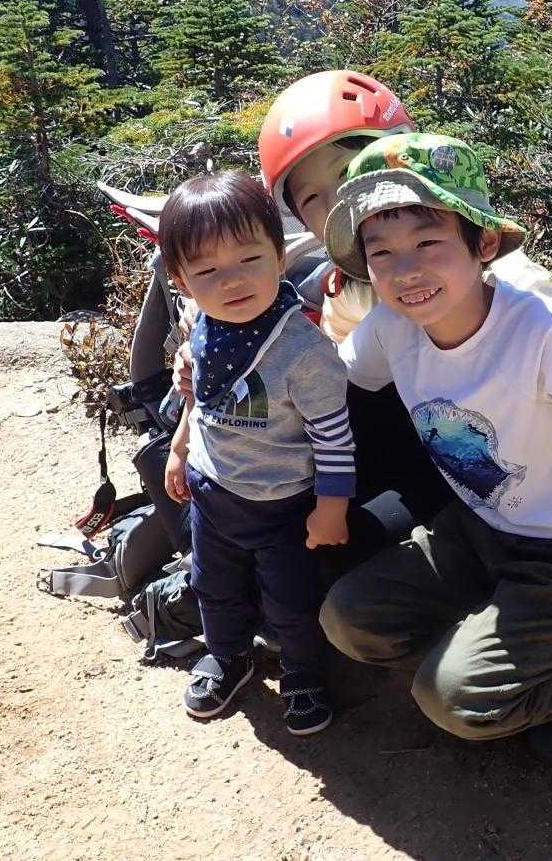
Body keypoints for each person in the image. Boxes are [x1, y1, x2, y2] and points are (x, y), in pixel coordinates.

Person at [141, 69, 552, 604]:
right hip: (421, 459)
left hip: (471, 480)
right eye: (314, 196)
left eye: (356, 170)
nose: (346, 199)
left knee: (337, 558)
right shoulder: (339, 281)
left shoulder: (512, 290)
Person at [318, 132, 552, 763]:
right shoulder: (392, 326)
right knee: (350, 619)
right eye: (381, 252)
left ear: (483, 245)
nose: (405, 270)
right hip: (484, 531)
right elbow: (328, 379)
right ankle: (492, 647)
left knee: (453, 700)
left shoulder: (540, 333)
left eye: (428, 242)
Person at [159, 171, 352, 736]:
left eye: (249, 259)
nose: (233, 280)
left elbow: (334, 437)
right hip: (212, 491)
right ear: (182, 280)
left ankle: (302, 675)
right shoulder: (201, 323)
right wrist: (180, 448)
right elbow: (201, 400)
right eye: (207, 271)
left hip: (283, 504)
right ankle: (228, 655)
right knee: (213, 585)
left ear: (279, 256)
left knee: (292, 601)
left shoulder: (304, 350)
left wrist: (332, 507)